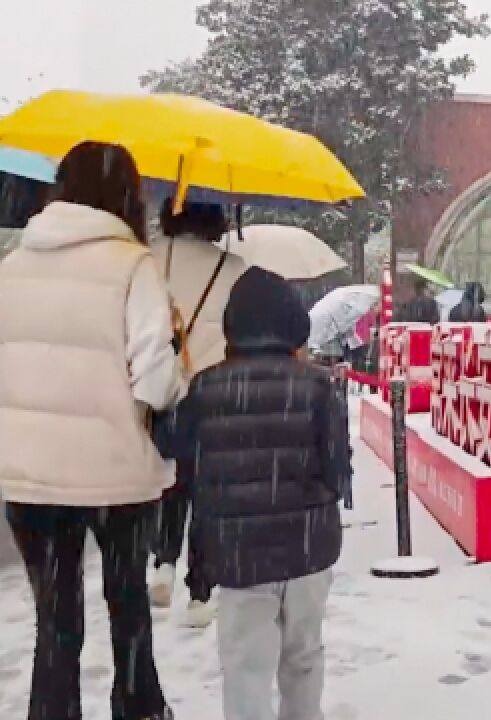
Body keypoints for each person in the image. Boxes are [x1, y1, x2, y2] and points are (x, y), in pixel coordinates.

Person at [0, 142, 183, 720]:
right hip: (115, 476)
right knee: (127, 604)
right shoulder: (132, 266)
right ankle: (139, 707)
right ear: (127, 196)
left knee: (55, 616)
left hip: (29, 475)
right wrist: (175, 350)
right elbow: (155, 384)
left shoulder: (12, 266)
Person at [171, 267, 350, 720]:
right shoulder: (316, 386)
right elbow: (337, 472)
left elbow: (180, 460)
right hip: (308, 548)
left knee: (246, 669)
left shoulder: (206, 388)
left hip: (238, 556)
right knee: (304, 659)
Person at [149, 198, 250, 628]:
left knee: (171, 480)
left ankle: (162, 564)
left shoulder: (150, 258)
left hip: (166, 387)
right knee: (208, 492)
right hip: (217, 393)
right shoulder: (234, 268)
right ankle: (200, 592)